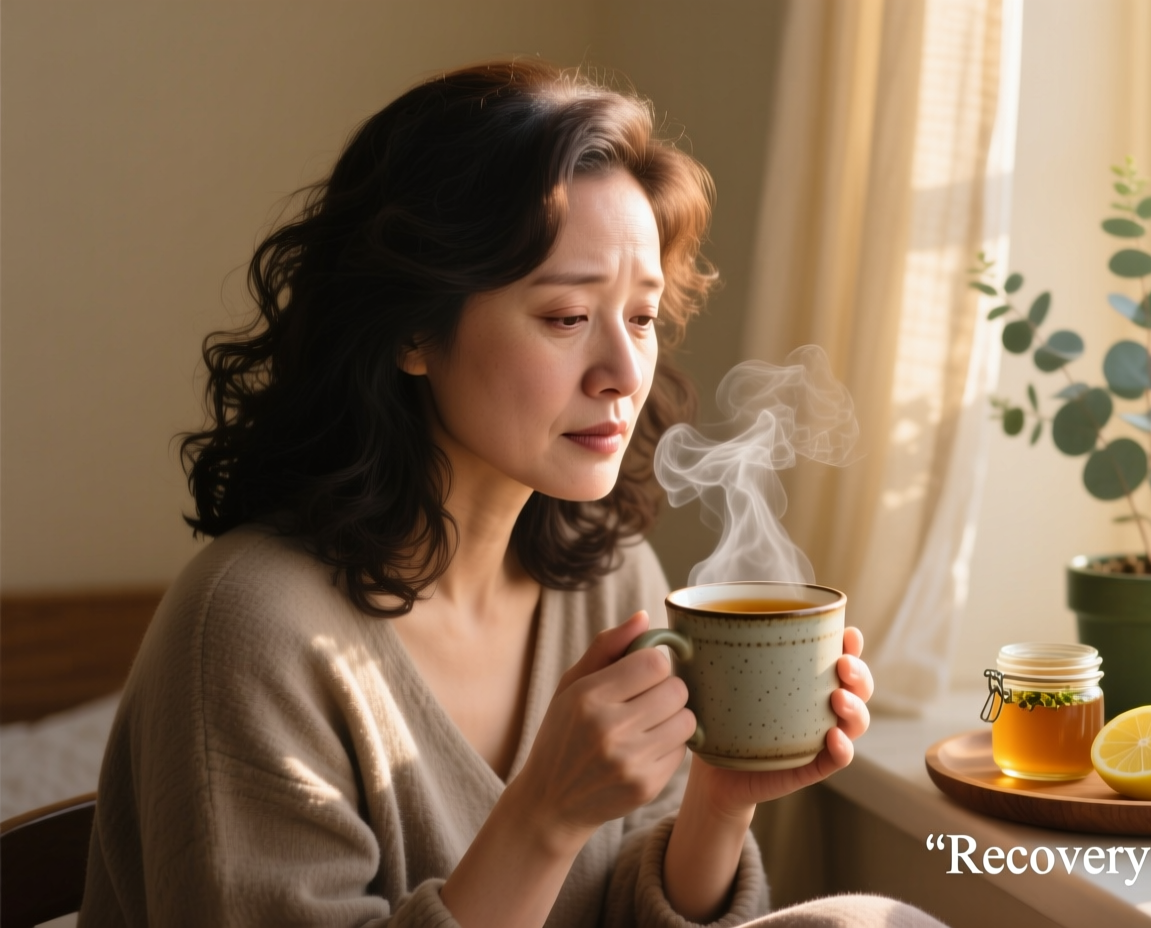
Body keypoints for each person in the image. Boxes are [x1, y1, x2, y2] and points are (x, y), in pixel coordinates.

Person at [81, 60, 939, 928]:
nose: (622, 373)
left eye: (640, 317)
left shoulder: (611, 582)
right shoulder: (249, 629)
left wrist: (717, 803)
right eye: (567, 317)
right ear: (414, 326)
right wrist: (544, 816)